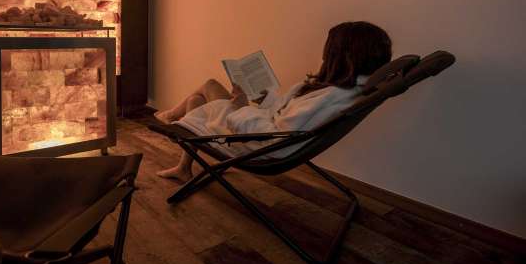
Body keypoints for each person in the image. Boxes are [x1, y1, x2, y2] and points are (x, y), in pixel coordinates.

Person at [154, 21, 392, 182]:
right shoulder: (344, 91)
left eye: (328, 49)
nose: (323, 53)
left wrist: (241, 108)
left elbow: (273, 137)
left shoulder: (331, 97)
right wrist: (264, 97)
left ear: (340, 55)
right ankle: (183, 164)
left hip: (253, 143)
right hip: (257, 128)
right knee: (200, 95)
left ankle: (171, 119)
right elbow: (286, 117)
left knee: (204, 90)